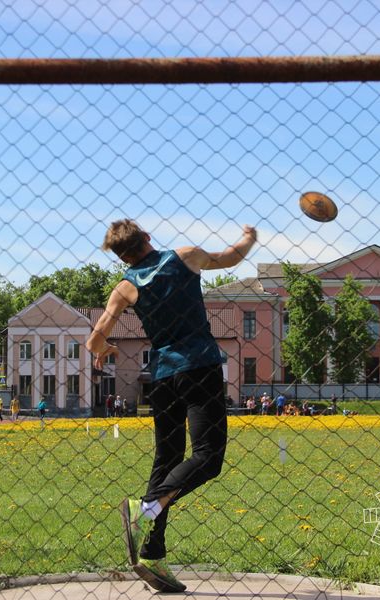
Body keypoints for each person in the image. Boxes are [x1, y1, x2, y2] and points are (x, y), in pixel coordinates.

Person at [87, 219, 256, 593]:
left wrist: (108, 349)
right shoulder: (184, 256)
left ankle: (152, 553)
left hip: (162, 378)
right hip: (199, 367)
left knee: (166, 462)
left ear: (120, 256)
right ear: (147, 238)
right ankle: (144, 507)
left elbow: (94, 339)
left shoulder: (125, 287)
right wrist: (249, 238)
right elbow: (230, 258)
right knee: (209, 457)